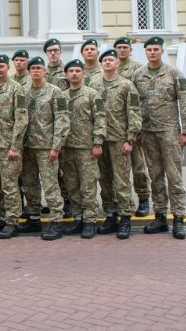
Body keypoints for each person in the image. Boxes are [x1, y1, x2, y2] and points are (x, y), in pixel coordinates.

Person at [132, 37, 186, 240]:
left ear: (162, 51)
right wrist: (136, 132)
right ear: (145, 52)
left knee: (174, 176)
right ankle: (160, 216)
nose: (152, 53)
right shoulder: (138, 75)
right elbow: (134, 105)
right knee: (155, 176)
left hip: (169, 132)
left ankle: (179, 218)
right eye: (149, 49)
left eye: (156, 49)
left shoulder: (174, 73)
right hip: (148, 132)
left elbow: (184, 102)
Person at [19, 57, 70, 240]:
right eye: (32, 68)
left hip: (46, 147)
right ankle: (33, 218)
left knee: (50, 185)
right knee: (29, 184)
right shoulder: (23, 92)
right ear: (28, 71)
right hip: (27, 147)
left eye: (39, 68)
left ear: (45, 71)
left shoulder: (55, 92)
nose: (35, 71)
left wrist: (56, 146)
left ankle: (57, 221)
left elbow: (62, 121)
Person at [94, 49, 141, 239]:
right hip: (100, 140)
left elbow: (134, 112)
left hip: (119, 139)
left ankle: (125, 217)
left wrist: (130, 139)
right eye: (104, 60)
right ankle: (110, 215)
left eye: (110, 60)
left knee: (121, 181)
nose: (107, 63)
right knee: (105, 180)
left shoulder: (126, 85)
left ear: (117, 63)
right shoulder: (94, 84)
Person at [60, 59, 105, 239]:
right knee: (72, 185)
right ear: (66, 74)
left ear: (83, 73)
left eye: (78, 71)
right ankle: (78, 218)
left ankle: (90, 220)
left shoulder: (92, 94)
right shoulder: (62, 96)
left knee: (88, 185)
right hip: (68, 148)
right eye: (71, 71)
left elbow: (100, 118)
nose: (74, 74)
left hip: (86, 148)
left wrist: (98, 142)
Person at [0, 55, 28, 239]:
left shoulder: (16, 89)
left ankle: (12, 221)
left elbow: (21, 119)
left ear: (7, 67)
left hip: (8, 146)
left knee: (10, 185)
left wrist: (15, 146)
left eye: (1, 66)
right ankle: (2, 215)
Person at [114, 36, 151, 217]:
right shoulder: (107, 67)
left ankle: (143, 198)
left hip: (132, 127)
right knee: (117, 170)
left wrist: (137, 128)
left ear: (130, 49)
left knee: (138, 166)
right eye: (119, 47)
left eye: (124, 47)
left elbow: (140, 100)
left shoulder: (137, 69)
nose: (122, 50)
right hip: (113, 128)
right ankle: (119, 201)